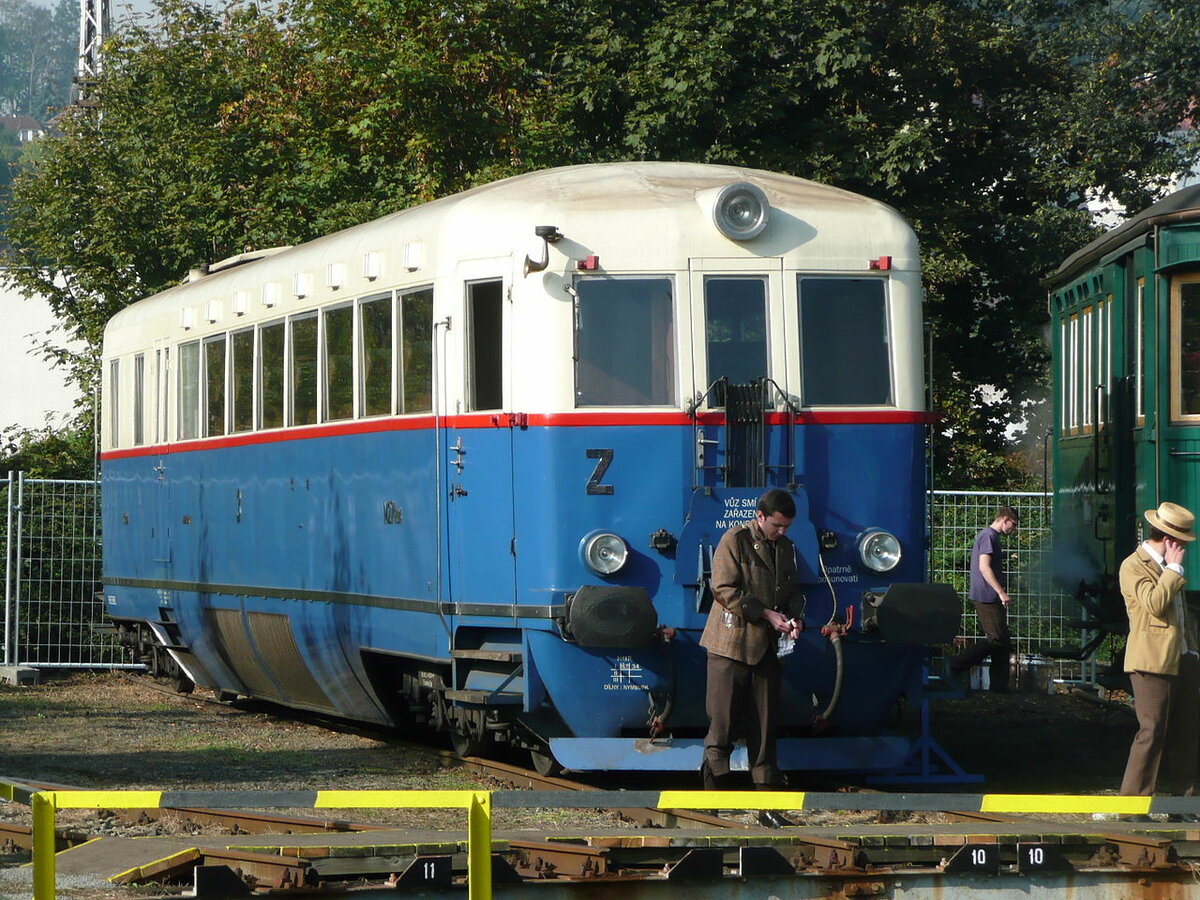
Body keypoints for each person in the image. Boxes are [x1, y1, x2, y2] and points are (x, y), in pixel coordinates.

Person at [700, 488, 806, 828]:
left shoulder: (787, 549)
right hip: (729, 646)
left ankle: (767, 808)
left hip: (767, 650)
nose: (782, 532)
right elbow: (723, 588)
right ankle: (710, 807)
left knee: (764, 728)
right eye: (777, 525)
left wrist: (792, 618)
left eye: (787, 526)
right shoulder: (734, 540)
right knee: (723, 726)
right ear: (760, 516)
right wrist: (765, 614)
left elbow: (792, 592)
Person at [1118, 502, 1200, 818]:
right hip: (1149, 663)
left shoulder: (1169, 567)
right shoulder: (1134, 566)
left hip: (1183, 659)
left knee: (1188, 733)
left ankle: (1186, 804)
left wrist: (1192, 649)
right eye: (1182, 541)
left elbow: (1181, 616)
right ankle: (1133, 806)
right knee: (1151, 733)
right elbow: (1154, 604)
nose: (1184, 548)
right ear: (1169, 539)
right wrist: (1173, 569)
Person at [949, 507, 1019, 692]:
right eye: (1014, 525)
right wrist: (1001, 592)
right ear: (1005, 519)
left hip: (988, 594)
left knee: (1003, 639)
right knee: (996, 638)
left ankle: (999, 685)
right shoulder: (989, 536)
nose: (1014, 530)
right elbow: (984, 567)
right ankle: (956, 664)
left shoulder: (990, 536)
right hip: (986, 594)